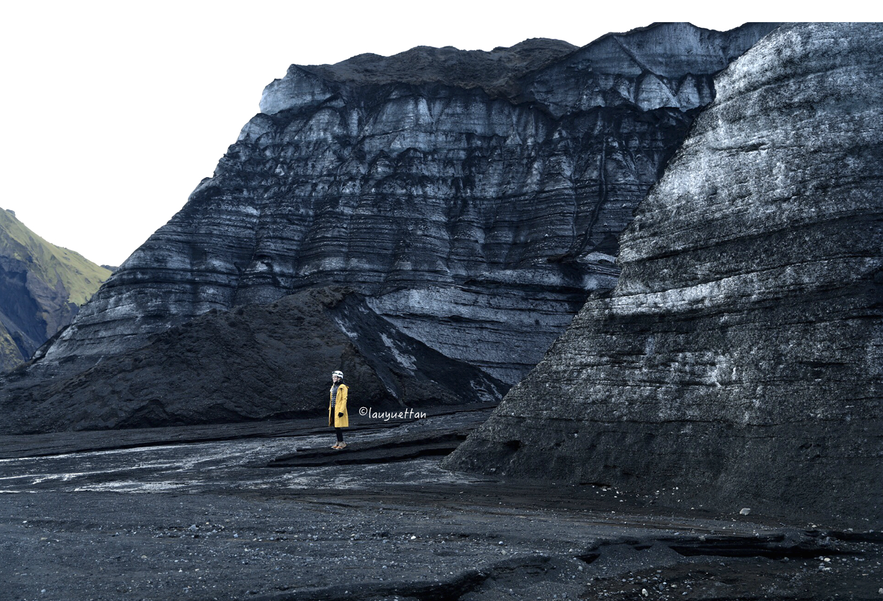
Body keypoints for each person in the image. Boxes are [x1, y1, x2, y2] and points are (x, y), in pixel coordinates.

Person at [328, 370, 349, 449]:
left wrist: (341, 411)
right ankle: (338, 442)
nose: (333, 378)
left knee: (338, 426)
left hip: (339, 409)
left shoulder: (343, 387)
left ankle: (341, 442)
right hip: (333, 408)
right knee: (335, 426)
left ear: (339, 378)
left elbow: (344, 399)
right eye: (333, 377)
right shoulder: (333, 386)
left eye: (335, 377)